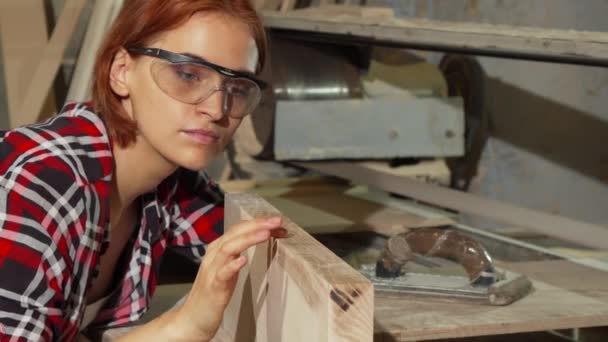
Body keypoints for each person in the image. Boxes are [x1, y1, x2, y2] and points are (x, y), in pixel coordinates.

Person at [0, 0, 285, 340]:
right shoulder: (40, 186)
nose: (216, 109)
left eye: (237, 88)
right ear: (121, 71)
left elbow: (251, 241)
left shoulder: (169, 184)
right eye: (188, 75)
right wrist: (185, 324)